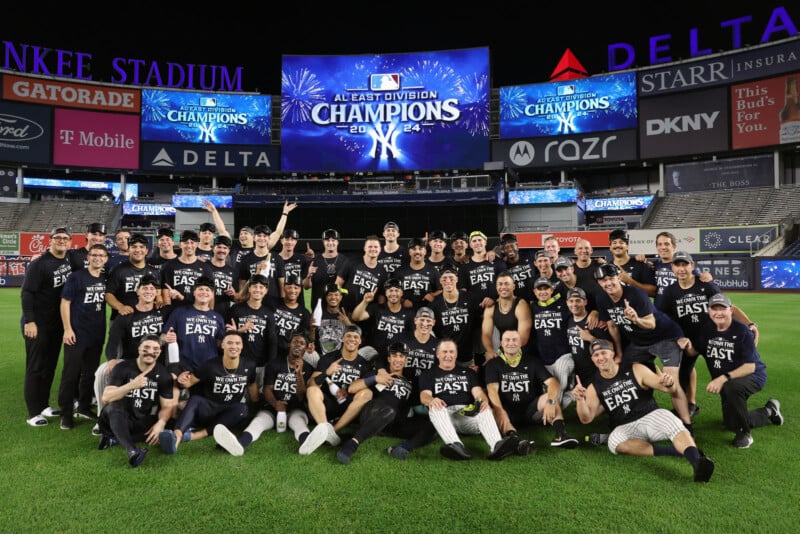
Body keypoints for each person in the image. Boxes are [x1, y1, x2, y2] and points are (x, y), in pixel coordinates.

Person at [572, 339, 715, 483]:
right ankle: (676, 451)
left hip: (650, 416)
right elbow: (586, 418)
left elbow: (665, 388)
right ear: (592, 359)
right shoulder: (594, 386)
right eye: (596, 355)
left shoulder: (635, 369)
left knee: (673, 423)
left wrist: (669, 383)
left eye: (603, 353)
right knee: (614, 442)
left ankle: (697, 462)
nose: (600, 358)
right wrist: (580, 400)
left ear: (612, 354)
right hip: (625, 426)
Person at [658, 250, 758, 418]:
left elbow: (728, 308)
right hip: (688, 341)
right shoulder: (669, 291)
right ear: (672, 268)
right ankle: (688, 406)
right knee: (682, 373)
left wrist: (749, 323)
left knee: (726, 372)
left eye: (685, 264)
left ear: (693, 266)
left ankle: (735, 405)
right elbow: (661, 317)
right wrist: (675, 337)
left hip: (713, 339)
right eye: (677, 265)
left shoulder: (705, 284)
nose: (681, 269)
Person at [593, 263, 693, 427]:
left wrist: (636, 320)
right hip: (639, 342)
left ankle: (687, 425)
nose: (608, 283)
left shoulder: (635, 294)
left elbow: (651, 324)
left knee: (671, 383)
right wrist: (618, 353)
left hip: (664, 337)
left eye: (611, 278)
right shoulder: (602, 298)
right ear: (598, 283)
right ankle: (640, 413)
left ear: (618, 277)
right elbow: (612, 326)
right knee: (626, 375)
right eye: (603, 280)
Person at [683, 293, 783, 449]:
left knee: (731, 387)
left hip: (753, 375)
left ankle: (745, 433)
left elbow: (750, 366)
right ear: (709, 311)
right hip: (728, 379)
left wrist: (722, 379)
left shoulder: (742, 331)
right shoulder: (707, 329)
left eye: (722, 309)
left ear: (730, 310)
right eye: (714, 309)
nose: (718, 313)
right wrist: (687, 345)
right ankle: (769, 411)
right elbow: (695, 351)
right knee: (731, 423)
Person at [214, 330, 315, 456]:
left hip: (296, 408)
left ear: (306, 347)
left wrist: (299, 374)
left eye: (302, 343)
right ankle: (239, 445)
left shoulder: (309, 368)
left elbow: (301, 396)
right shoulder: (275, 363)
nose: (298, 345)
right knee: (258, 422)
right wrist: (275, 403)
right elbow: (267, 389)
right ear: (289, 344)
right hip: (273, 407)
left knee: (299, 423)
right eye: (295, 342)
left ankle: (307, 444)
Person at [336, 342, 438, 464]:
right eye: (395, 356)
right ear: (389, 359)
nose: (398, 359)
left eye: (401, 356)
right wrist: (375, 379)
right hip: (373, 412)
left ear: (406, 360)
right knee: (389, 410)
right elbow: (352, 388)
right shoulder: (379, 374)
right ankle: (351, 444)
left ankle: (402, 448)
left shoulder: (411, 381)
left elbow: (419, 399)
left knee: (432, 425)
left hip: (395, 422)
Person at [419, 339, 520, 461]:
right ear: (438, 354)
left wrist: (483, 402)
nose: (448, 355)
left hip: (465, 414)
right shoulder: (429, 374)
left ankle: (497, 446)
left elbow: (479, 393)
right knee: (435, 407)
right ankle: (455, 445)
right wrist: (432, 400)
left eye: (451, 352)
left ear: (456, 354)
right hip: (444, 416)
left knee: (485, 408)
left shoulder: (468, 373)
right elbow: (424, 395)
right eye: (444, 352)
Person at [159, 331, 259, 454]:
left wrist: (257, 405)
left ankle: (194, 435)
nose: (234, 346)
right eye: (230, 343)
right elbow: (188, 383)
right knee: (195, 399)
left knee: (243, 409)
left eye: (238, 343)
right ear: (222, 345)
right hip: (207, 409)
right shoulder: (210, 365)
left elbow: (252, 384)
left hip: (227, 413)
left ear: (242, 346)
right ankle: (176, 437)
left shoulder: (249, 365)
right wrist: (181, 380)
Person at [485, 330, 578, 450]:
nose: (511, 343)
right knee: (492, 410)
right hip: (507, 413)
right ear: (501, 343)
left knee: (550, 397)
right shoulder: (493, 364)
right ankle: (514, 439)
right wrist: (499, 410)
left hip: (531, 411)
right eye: (507, 340)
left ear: (520, 343)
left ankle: (561, 435)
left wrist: (551, 401)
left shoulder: (532, 361)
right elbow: (492, 390)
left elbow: (553, 383)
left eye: (515, 340)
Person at [98, 274, 170, 422]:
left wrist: (178, 297)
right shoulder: (126, 314)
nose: (148, 291)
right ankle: (102, 416)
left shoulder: (164, 312)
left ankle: (159, 415)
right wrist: (111, 359)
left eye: (152, 288)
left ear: (157, 292)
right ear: (137, 291)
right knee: (102, 371)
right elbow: (113, 341)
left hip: (155, 364)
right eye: (144, 288)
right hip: (130, 362)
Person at [96, 334, 175, 468]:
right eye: (146, 348)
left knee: (171, 423)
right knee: (114, 407)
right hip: (116, 418)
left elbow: (167, 406)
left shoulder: (163, 375)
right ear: (139, 349)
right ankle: (132, 450)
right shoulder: (123, 367)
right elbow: (106, 398)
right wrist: (131, 385)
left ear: (160, 352)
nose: (150, 352)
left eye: (155, 349)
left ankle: (114, 440)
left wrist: (161, 423)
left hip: (139, 419)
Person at [22, 226, 73, 427]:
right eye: (57, 238)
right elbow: (27, 293)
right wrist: (29, 321)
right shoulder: (39, 264)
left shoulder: (69, 260)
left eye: (65, 238)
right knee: (35, 367)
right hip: (37, 323)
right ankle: (33, 412)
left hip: (56, 324)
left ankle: (43, 405)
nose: (61, 241)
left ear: (70, 242)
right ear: (50, 240)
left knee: (49, 366)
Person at [298, 325, 375, 455]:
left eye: (356, 337)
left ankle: (332, 431)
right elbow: (311, 383)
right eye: (348, 336)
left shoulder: (364, 364)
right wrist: (327, 372)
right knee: (312, 390)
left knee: (368, 393)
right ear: (342, 338)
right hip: (326, 405)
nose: (352, 339)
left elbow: (364, 388)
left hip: (348, 407)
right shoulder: (329, 358)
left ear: (360, 341)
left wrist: (350, 390)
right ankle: (324, 427)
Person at [57, 243, 109, 429]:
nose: (97, 258)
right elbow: (65, 303)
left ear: (106, 259)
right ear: (87, 257)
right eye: (94, 254)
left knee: (89, 374)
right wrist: (67, 329)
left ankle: (85, 407)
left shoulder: (105, 278)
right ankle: (66, 413)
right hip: (77, 333)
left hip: (96, 333)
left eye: (101, 255)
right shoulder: (77, 277)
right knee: (70, 374)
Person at [162, 276, 226, 378]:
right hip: (182, 367)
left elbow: (220, 344)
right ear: (194, 292)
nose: (204, 292)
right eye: (200, 289)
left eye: (207, 290)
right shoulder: (179, 312)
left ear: (212, 294)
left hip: (208, 368)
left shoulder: (218, 317)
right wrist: (166, 338)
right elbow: (162, 337)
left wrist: (234, 334)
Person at [224, 274, 279, 389]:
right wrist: (239, 330)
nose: (258, 289)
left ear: (266, 291)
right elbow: (225, 338)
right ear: (249, 288)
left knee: (257, 397)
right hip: (239, 362)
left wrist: (271, 364)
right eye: (255, 286)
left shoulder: (268, 313)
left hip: (260, 363)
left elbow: (272, 340)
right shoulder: (236, 309)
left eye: (261, 287)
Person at [528, 277, 575, 409]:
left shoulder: (564, 304)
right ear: (534, 291)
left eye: (546, 288)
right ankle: (571, 394)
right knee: (548, 392)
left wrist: (594, 313)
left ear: (552, 289)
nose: (543, 292)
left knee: (557, 389)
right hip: (543, 358)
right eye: (539, 289)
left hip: (563, 355)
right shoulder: (533, 307)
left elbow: (581, 311)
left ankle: (553, 412)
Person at [350, 277, 414, 364]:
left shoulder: (409, 314)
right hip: (373, 352)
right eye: (390, 290)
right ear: (385, 293)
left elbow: (414, 338)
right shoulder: (376, 308)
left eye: (397, 290)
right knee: (357, 357)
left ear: (402, 293)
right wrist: (365, 302)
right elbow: (356, 317)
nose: (394, 293)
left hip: (396, 356)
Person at [431, 262, 482, 368]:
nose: (448, 281)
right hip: (446, 356)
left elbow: (479, 324)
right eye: (444, 278)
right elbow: (435, 332)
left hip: (467, 355)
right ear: (440, 281)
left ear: (457, 279)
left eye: (451, 278)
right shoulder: (435, 304)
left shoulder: (470, 298)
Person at [105, 232, 160, 321]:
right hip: (122, 319)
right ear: (129, 250)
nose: (138, 250)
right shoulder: (118, 270)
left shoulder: (154, 272)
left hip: (146, 320)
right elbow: (108, 294)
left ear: (146, 251)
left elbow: (158, 292)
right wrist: (120, 307)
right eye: (134, 247)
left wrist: (159, 300)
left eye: (141, 247)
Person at [481, 271, 532, 363]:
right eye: (500, 284)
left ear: (513, 287)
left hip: (522, 351)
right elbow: (486, 334)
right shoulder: (491, 307)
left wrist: (507, 355)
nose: (503, 287)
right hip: (504, 349)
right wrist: (490, 351)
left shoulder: (521, 305)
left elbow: (523, 338)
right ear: (496, 287)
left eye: (507, 284)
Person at [160, 229, 214, 307]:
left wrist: (210, 314)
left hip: (197, 312)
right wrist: (168, 312)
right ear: (180, 244)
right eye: (186, 243)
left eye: (192, 243)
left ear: (196, 244)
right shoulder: (169, 266)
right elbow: (165, 293)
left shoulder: (206, 268)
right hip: (175, 311)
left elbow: (211, 295)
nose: (189, 246)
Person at [338, 234, 388, 313]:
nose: (373, 249)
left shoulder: (382, 271)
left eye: (375, 247)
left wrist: (379, 313)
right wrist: (346, 292)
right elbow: (338, 284)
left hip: (366, 314)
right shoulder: (351, 262)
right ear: (364, 248)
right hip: (346, 311)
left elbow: (381, 296)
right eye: (370, 247)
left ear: (380, 249)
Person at [305, 228, 350, 311]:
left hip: (340, 309)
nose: (330, 243)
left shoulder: (346, 261)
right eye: (327, 240)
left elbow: (348, 289)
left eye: (333, 240)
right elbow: (306, 287)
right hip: (318, 308)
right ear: (323, 242)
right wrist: (308, 276)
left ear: (338, 242)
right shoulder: (315, 261)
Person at [395, 237, 442, 310]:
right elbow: (391, 291)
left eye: (420, 249)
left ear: (425, 251)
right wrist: (402, 301)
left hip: (426, 313)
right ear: (409, 252)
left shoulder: (433, 271)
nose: (417, 252)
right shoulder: (399, 271)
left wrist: (432, 295)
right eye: (414, 249)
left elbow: (441, 290)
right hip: (405, 312)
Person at [607, 229, 657, 297]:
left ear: (627, 246)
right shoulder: (607, 268)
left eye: (621, 242)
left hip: (637, 307)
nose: (618, 245)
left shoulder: (640, 264)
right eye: (614, 243)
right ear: (610, 247)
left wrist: (630, 281)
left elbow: (653, 292)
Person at [272, 275, 312, 357]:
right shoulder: (273, 303)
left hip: (289, 354)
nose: (292, 290)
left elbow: (306, 337)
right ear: (284, 288)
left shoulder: (305, 313)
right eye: (289, 287)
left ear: (300, 290)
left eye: (296, 288)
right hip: (270, 349)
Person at [207, 234, 237, 316]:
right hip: (205, 312)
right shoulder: (204, 266)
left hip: (224, 314)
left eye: (225, 248)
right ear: (213, 248)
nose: (222, 250)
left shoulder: (232, 272)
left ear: (229, 251)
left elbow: (235, 298)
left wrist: (233, 294)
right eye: (219, 247)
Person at [497, 234, 535, 299]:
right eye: (506, 247)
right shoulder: (502, 266)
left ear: (517, 246)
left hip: (534, 300)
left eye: (512, 246)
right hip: (515, 302)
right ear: (503, 250)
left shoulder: (530, 256)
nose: (510, 249)